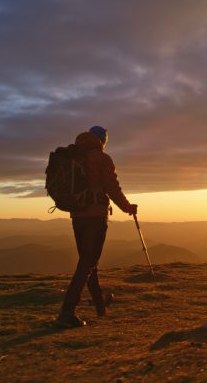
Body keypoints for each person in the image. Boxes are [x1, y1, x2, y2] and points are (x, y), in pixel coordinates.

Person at [57, 125, 138, 328]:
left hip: (77, 215)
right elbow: (112, 187)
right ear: (102, 140)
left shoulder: (75, 155)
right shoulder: (101, 158)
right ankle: (67, 312)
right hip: (95, 216)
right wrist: (127, 207)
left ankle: (100, 305)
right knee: (87, 263)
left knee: (88, 261)